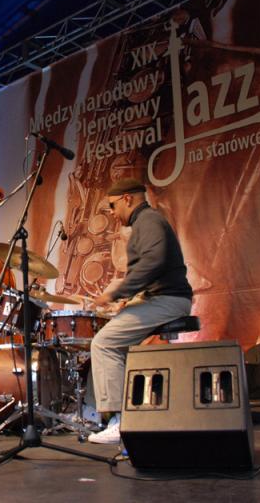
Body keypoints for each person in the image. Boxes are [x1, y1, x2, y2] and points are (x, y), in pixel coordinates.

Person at [88, 178, 193, 444]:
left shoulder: (149, 220)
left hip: (169, 300)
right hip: (160, 297)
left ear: (127, 198)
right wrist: (131, 298)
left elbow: (153, 262)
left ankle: (121, 421)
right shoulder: (145, 222)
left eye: (113, 206)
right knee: (110, 340)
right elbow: (152, 269)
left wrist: (115, 293)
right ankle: (131, 413)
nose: (112, 213)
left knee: (104, 343)